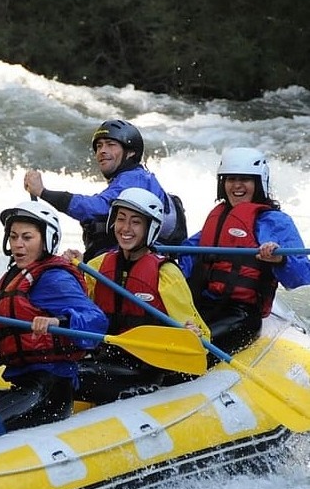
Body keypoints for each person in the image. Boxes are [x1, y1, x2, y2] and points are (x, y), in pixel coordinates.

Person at [0, 201, 109, 453]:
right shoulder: (12, 278)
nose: (18, 244)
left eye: (27, 237)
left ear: (46, 240)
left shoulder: (54, 278)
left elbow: (95, 321)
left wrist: (58, 321)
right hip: (23, 385)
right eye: (14, 236)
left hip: (50, 391)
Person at [69, 187, 210, 404]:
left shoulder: (166, 274)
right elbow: (76, 302)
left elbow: (200, 336)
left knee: (68, 377)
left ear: (150, 228)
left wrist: (190, 334)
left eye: (135, 222)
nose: (125, 228)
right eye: (121, 219)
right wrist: (67, 269)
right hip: (105, 356)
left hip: (144, 367)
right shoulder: (98, 266)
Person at [179, 148, 310, 354]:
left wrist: (280, 260)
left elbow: (302, 274)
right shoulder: (219, 218)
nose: (237, 185)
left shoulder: (276, 222)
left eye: (245, 179)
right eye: (231, 179)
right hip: (203, 305)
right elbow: (185, 254)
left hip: (241, 314)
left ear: (259, 183)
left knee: (191, 349)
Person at [24, 119, 187, 261]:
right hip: (121, 260)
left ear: (130, 153)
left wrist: (43, 192)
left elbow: (95, 208)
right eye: (99, 146)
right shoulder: (130, 178)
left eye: (111, 145)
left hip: (141, 264)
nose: (102, 151)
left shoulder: (136, 179)